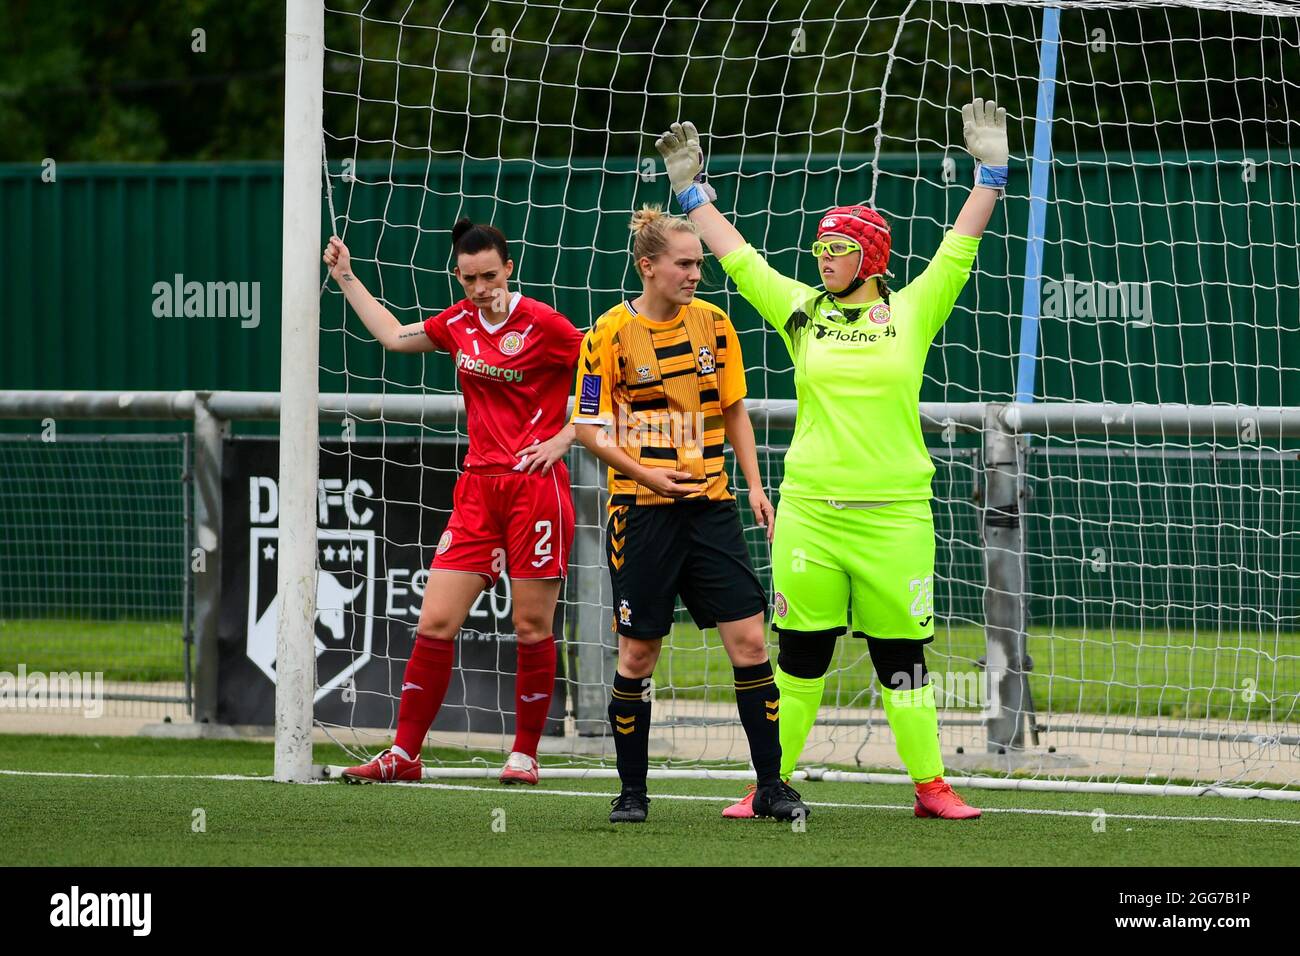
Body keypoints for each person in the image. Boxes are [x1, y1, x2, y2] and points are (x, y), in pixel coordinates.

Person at [655, 98, 1009, 820]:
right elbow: (740, 259)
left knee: (901, 661)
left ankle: (931, 787)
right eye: (820, 249)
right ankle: (770, 784)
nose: (824, 258)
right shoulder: (800, 311)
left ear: (871, 255)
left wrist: (991, 172)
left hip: (896, 517)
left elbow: (959, 246)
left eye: (838, 248)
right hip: (810, 516)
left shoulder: (912, 309)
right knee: (800, 658)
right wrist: (692, 193)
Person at [572, 205, 809, 824]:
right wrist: (647, 473)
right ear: (649, 267)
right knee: (638, 656)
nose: (696, 273)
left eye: (700, 263)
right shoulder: (605, 335)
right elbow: (589, 425)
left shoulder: (716, 324)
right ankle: (632, 793)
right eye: (685, 263)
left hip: (713, 510)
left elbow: (735, 412)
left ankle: (770, 787)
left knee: (751, 640)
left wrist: (756, 487)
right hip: (641, 512)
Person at [326, 218, 583, 786]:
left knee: (531, 625)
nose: (480, 287)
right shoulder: (458, 322)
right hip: (477, 491)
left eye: (489, 275)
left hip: (534, 489)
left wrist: (568, 435)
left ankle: (524, 754)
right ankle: (405, 754)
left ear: (509, 268)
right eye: (469, 278)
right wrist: (345, 277)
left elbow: (599, 373)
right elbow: (393, 338)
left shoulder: (545, 324)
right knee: (436, 620)